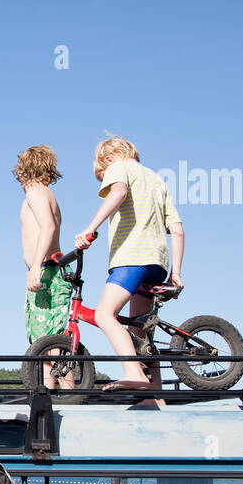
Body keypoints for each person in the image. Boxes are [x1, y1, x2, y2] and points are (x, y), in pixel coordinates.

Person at [74, 137, 185, 391]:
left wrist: (90, 229)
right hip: (158, 263)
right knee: (140, 335)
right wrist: (176, 273)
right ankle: (153, 395)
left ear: (108, 159)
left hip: (132, 257)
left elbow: (119, 191)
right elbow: (177, 230)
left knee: (104, 314)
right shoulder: (157, 180)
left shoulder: (118, 167)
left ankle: (133, 373)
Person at [16, 145, 74, 388]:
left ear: (23, 170)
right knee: (50, 340)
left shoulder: (36, 192)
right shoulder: (45, 193)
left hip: (48, 272)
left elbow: (48, 227)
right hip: (50, 271)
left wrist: (35, 267)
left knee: (48, 341)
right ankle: (60, 395)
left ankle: (54, 397)